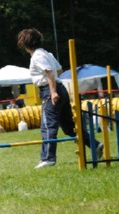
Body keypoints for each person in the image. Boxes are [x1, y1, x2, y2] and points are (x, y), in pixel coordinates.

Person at [16, 28, 103, 169]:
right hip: (60, 89)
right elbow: (59, 71)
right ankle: (95, 144)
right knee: (69, 127)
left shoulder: (37, 56)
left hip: (51, 90)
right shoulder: (47, 54)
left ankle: (48, 158)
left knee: (48, 125)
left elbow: (50, 73)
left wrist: (53, 92)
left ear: (25, 44)